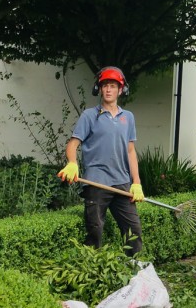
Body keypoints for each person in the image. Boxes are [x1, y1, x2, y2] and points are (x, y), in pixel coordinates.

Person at [57, 66, 145, 256]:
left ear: (121, 90)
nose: (108, 89)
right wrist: (72, 163)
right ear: (99, 89)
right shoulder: (89, 116)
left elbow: (131, 152)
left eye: (113, 86)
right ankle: (93, 273)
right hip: (96, 182)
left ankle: (134, 273)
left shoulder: (128, 117)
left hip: (122, 183)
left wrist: (136, 183)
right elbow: (72, 145)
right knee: (94, 232)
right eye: (105, 85)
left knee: (133, 233)